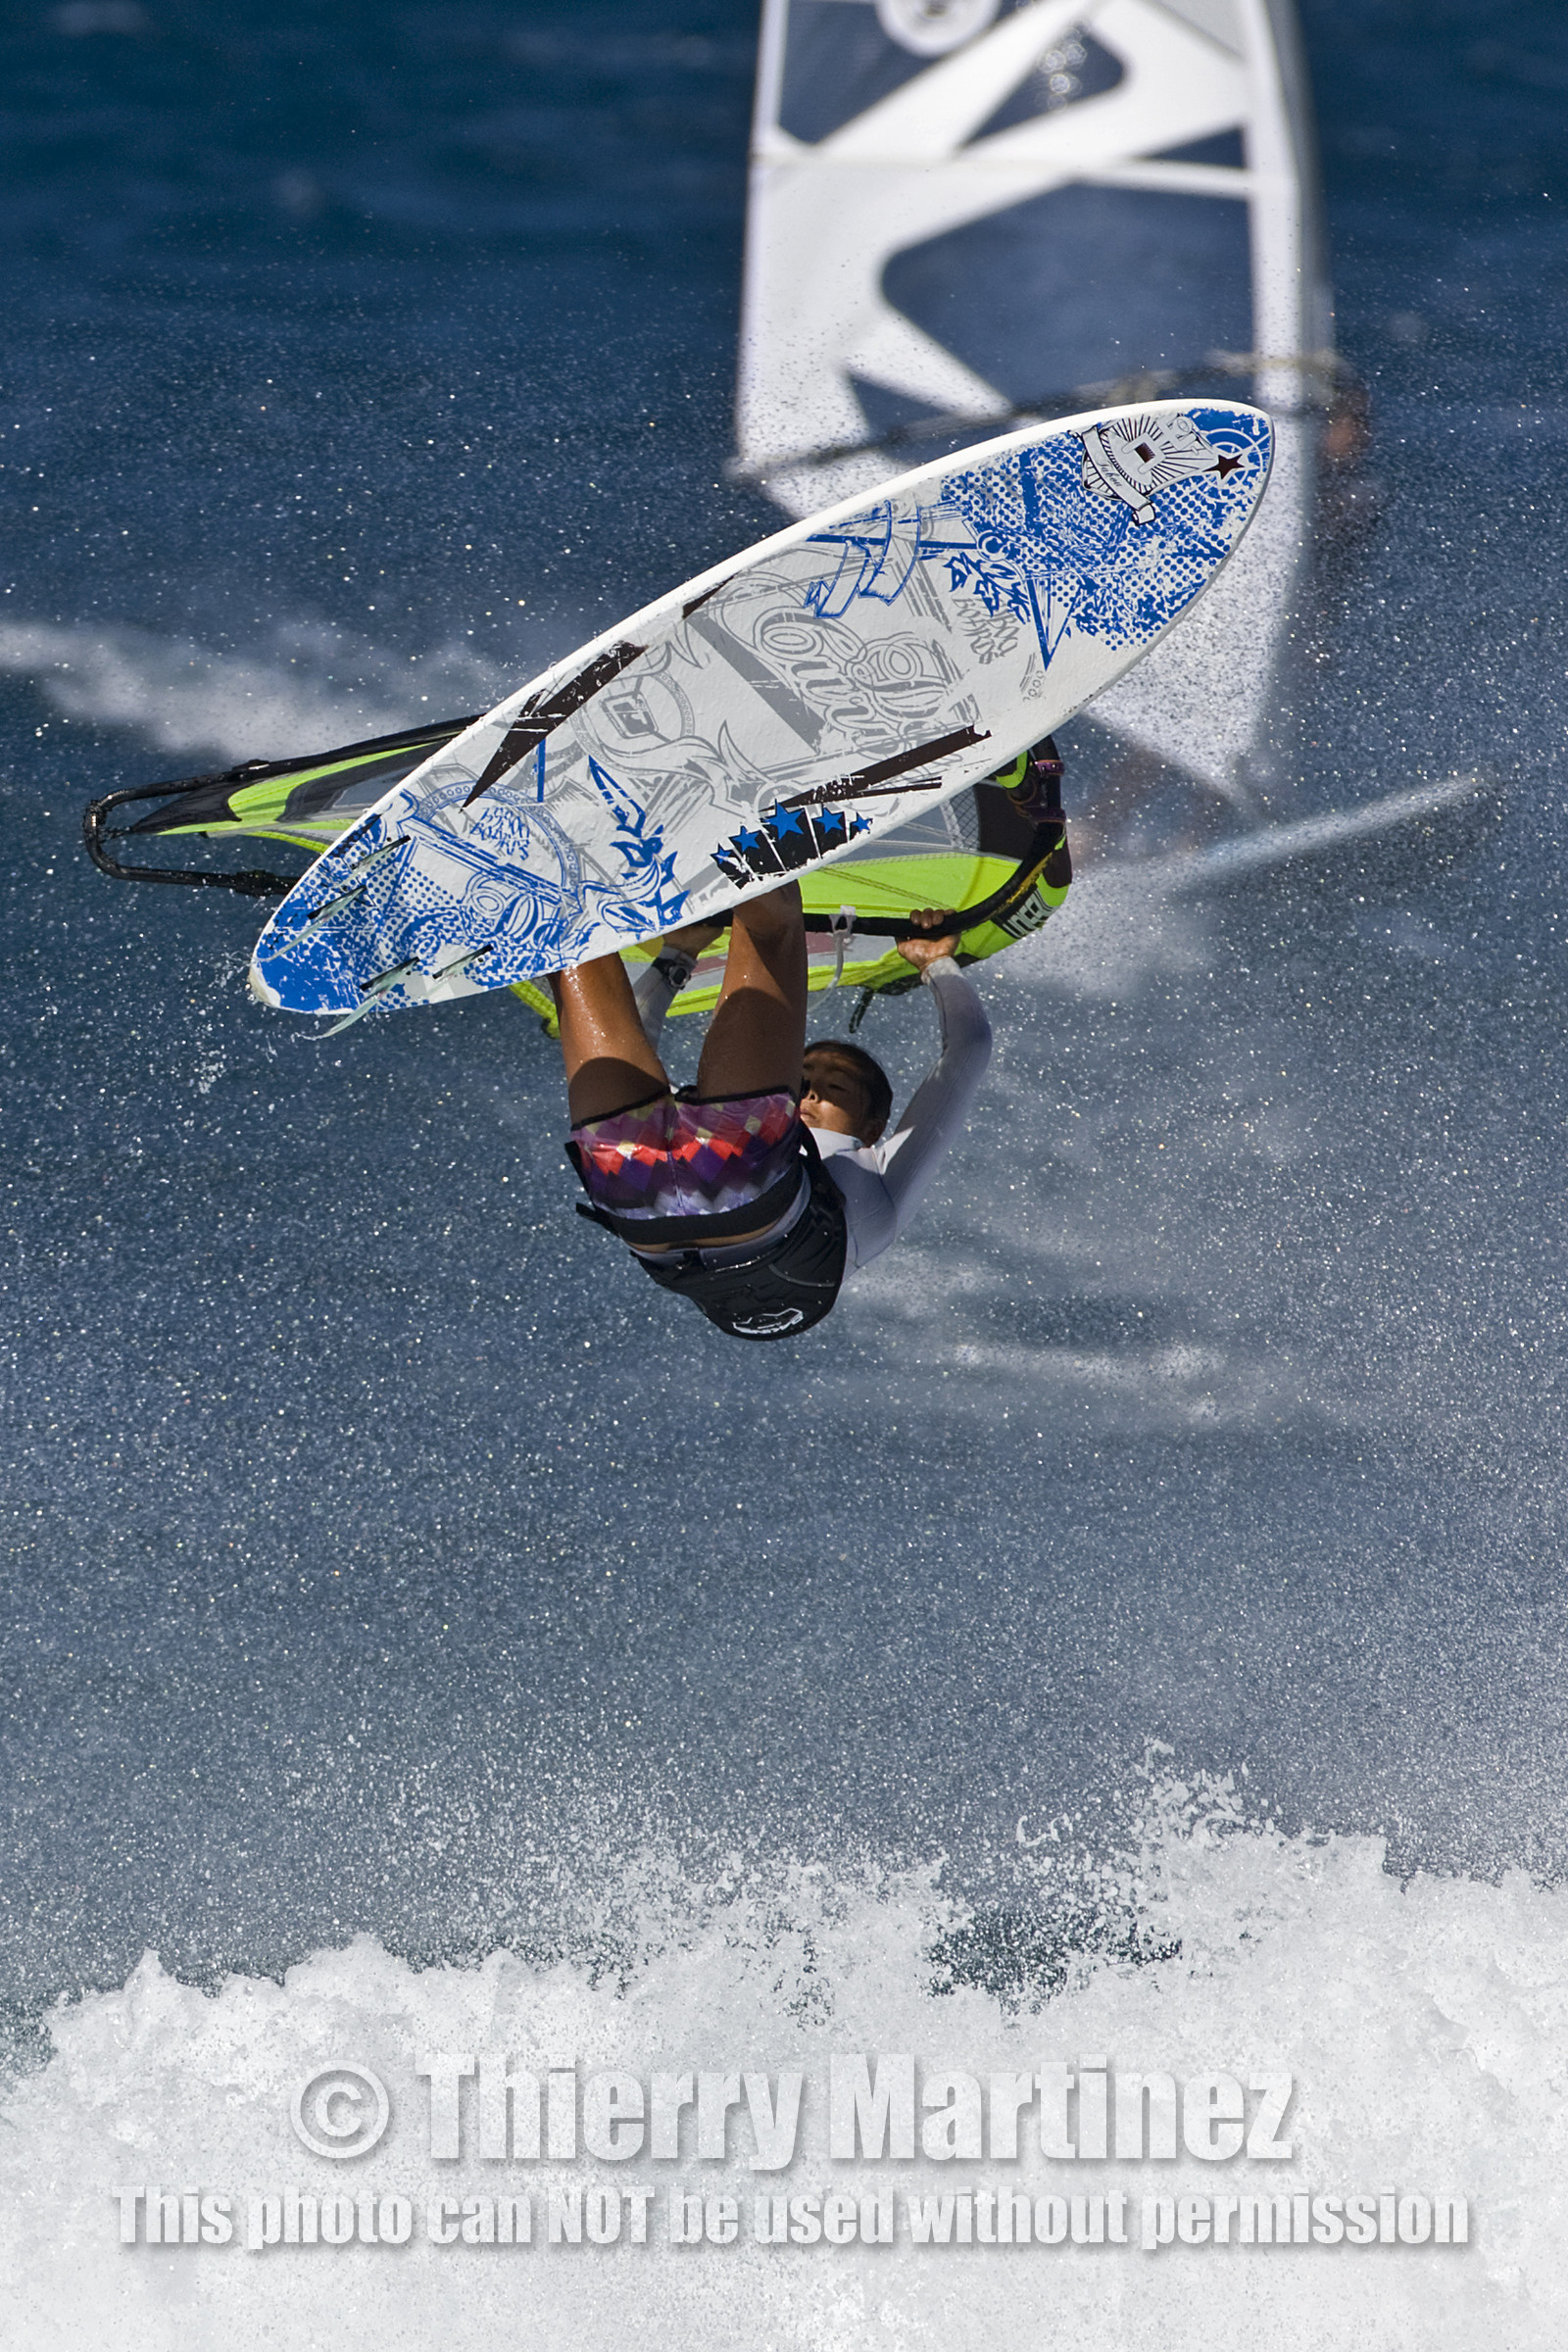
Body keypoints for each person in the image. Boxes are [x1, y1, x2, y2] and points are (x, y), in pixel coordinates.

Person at [550, 738, 1066, 1342]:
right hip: (636, 1204)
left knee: (771, 923)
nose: (807, 1095)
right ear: (874, 1130)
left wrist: (676, 956)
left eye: (817, 1083)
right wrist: (935, 963)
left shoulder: (850, 1186)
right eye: (817, 1083)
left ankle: (745, 780)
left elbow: (970, 1052)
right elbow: (967, 1056)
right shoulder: (873, 1179)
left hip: (731, 1191)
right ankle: (571, 823)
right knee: (569, 944)